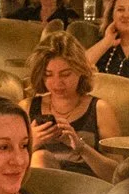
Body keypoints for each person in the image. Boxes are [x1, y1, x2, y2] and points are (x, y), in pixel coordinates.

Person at [26, 32, 120, 179]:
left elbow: (117, 174)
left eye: (65, 74)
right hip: (39, 190)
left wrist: (81, 147)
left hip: (84, 189)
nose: (57, 83)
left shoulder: (100, 109)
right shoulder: (27, 108)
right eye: (48, 75)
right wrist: (31, 144)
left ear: (80, 71)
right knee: (40, 157)